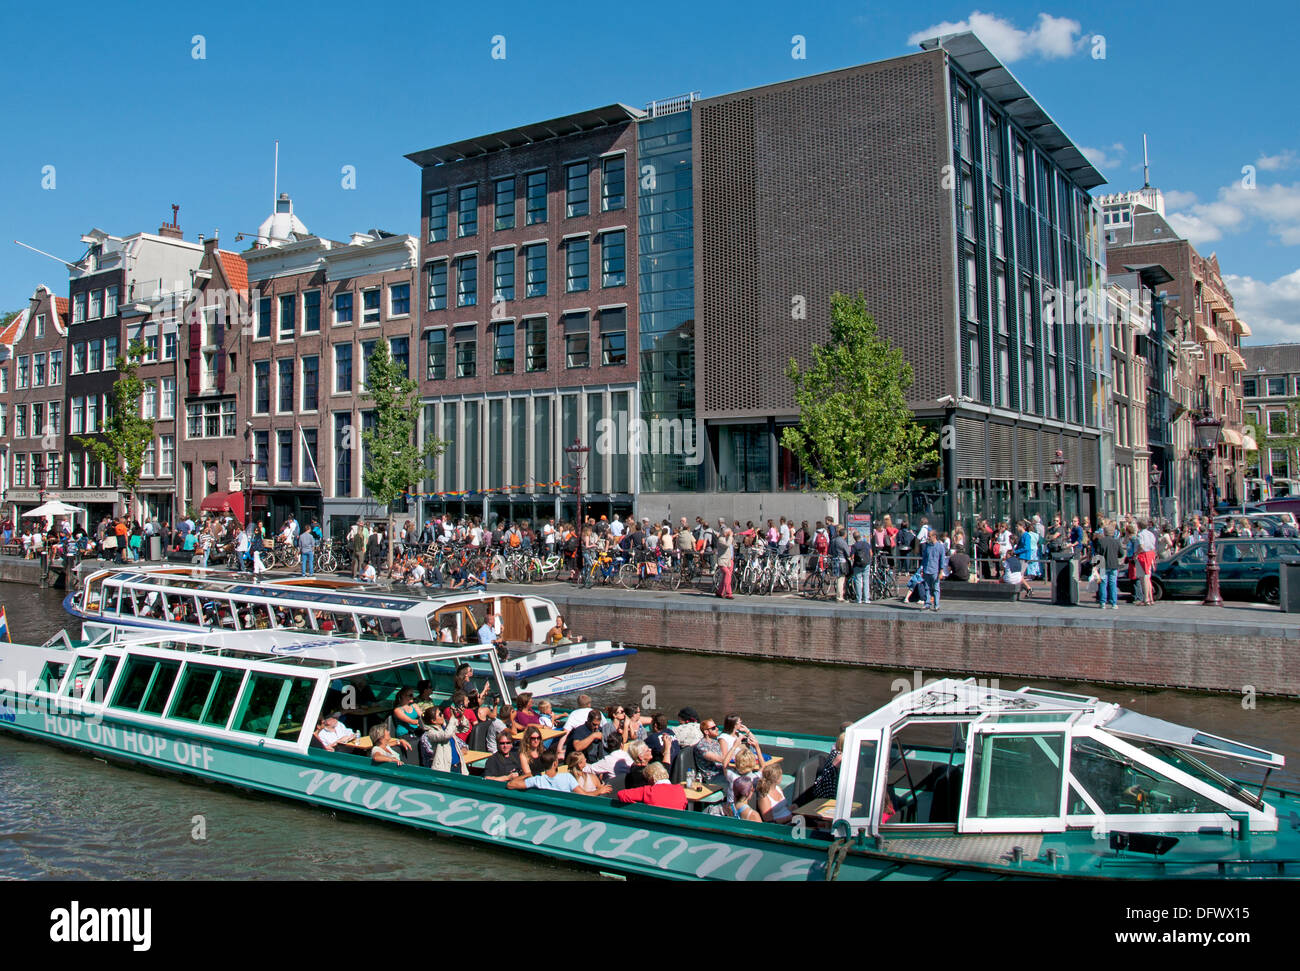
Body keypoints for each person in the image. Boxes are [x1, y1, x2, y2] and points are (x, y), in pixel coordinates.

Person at [507, 750, 611, 795]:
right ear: (556, 763)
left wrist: (528, 774)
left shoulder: (538, 780)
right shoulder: (567, 777)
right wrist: (598, 791)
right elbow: (583, 795)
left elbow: (510, 785)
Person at [616, 762, 687, 809]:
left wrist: (641, 805)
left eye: (646, 780)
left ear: (651, 779)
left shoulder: (648, 791)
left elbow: (621, 794)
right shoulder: (680, 789)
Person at [418, 707, 466, 773]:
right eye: (440, 714)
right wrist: (452, 718)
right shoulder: (430, 733)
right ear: (433, 721)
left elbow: (464, 729)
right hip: (445, 769)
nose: (443, 715)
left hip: (458, 766)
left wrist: (460, 717)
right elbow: (446, 736)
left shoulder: (446, 727)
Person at [1094, 522, 1123, 610]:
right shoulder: (1116, 541)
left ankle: (1103, 602)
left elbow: (1097, 555)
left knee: (1103, 583)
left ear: (1104, 532)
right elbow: (1121, 554)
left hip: (1103, 565)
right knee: (1113, 584)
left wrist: (1095, 566)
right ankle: (1114, 603)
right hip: (1114, 564)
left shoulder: (1101, 541)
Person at [919, 530, 947, 611]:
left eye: (930, 536)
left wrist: (941, 571)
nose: (928, 537)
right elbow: (924, 559)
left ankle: (936, 605)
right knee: (927, 588)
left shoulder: (940, 547)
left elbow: (942, 560)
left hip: (935, 571)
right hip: (927, 569)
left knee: (936, 588)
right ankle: (927, 603)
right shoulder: (927, 546)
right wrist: (922, 569)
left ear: (934, 536)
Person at [849, 527, 872, 604]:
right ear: (860, 536)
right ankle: (866, 599)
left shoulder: (854, 546)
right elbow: (871, 553)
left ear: (854, 538)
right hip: (866, 564)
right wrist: (869, 560)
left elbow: (852, 557)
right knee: (866, 581)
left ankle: (859, 599)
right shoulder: (866, 544)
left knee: (858, 581)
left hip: (857, 565)